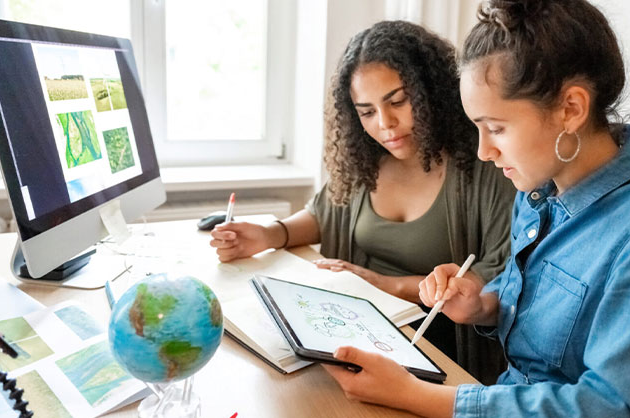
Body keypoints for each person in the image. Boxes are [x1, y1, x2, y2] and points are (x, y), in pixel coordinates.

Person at [321, 1, 630, 417]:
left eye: (496, 128)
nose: (484, 151)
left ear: (571, 109)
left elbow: (613, 407)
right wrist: (481, 303)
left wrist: (415, 395)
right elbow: (521, 302)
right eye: (478, 128)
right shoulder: (536, 193)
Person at [209, 20, 516, 383]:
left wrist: (378, 283)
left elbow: (496, 282)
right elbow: (326, 213)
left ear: (431, 91)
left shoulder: (485, 166)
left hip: (439, 351)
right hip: (364, 330)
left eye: (398, 101)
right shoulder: (367, 160)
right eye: (367, 112)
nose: (385, 124)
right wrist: (267, 234)